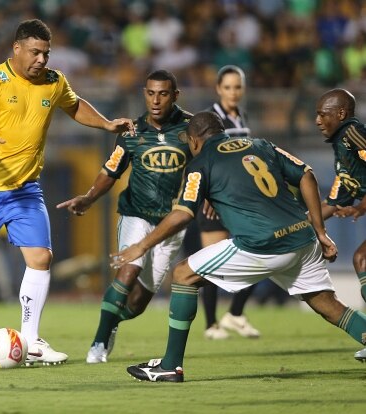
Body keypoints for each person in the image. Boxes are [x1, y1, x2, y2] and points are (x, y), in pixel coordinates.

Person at [0, 19, 134, 368]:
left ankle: (32, 340)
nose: (41, 59)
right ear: (16, 48)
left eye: (46, 53)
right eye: (35, 52)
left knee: (41, 258)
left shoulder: (54, 81)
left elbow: (75, 104)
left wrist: (107, 123)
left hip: (25, 190)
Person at [111, 111, 366, 382]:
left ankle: (170, 365)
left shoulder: (201, 164)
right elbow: (306, 174)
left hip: (262, 245)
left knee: (183, 274)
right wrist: (320, 231)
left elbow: (183, 213)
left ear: (195, 141)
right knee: (329, 305)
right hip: (302, 239)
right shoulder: (261, 145)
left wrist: (141, 245)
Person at [57, 69, 192, 363]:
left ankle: (112, 322)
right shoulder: (132, 131)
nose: (156, 100)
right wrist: (89, 197)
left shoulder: (191, 129)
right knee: (128, 270)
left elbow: (208, 170)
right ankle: (99, 343)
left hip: (171, 223)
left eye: (163, 94)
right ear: (144, 93)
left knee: (139, 303)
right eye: (150, 93)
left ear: (175, 96)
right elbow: (111, 171)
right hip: (136, 213)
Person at [196, 65, 260, 340]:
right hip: (216, 199)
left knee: (259, 256)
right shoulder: (210, 120)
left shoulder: (240, 115)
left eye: (237, 87)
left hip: (241, 199)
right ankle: (211, 324)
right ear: (218, 89)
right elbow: (200, 158)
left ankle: (234, 313)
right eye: (228, 87)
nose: (233, 92)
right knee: (212, 264)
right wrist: (208, 194)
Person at [315, 88, 366, 360]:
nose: (317, 120)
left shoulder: (352, 133)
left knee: (362, 260)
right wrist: (296, 225)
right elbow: (333, 204)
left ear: (341, 114)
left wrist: (360, 206)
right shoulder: (342, 150)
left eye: (323, 114)